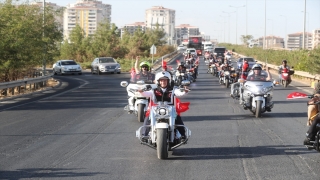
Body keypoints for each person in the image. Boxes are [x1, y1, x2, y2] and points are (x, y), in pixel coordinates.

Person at [138, 71, 189, 141]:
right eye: (161, 80)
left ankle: (183, 135)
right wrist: (141, 91)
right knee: (148, 118)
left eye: (165, 80)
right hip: (156, 109)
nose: (163, 82)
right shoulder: (153, 90)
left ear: (168, 81)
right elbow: (146, 94)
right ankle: (144, 135)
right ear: (158, 82)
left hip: (170, 109)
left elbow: (179, 93)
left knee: (177, 118)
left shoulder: (173, 90)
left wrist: (184, 91)